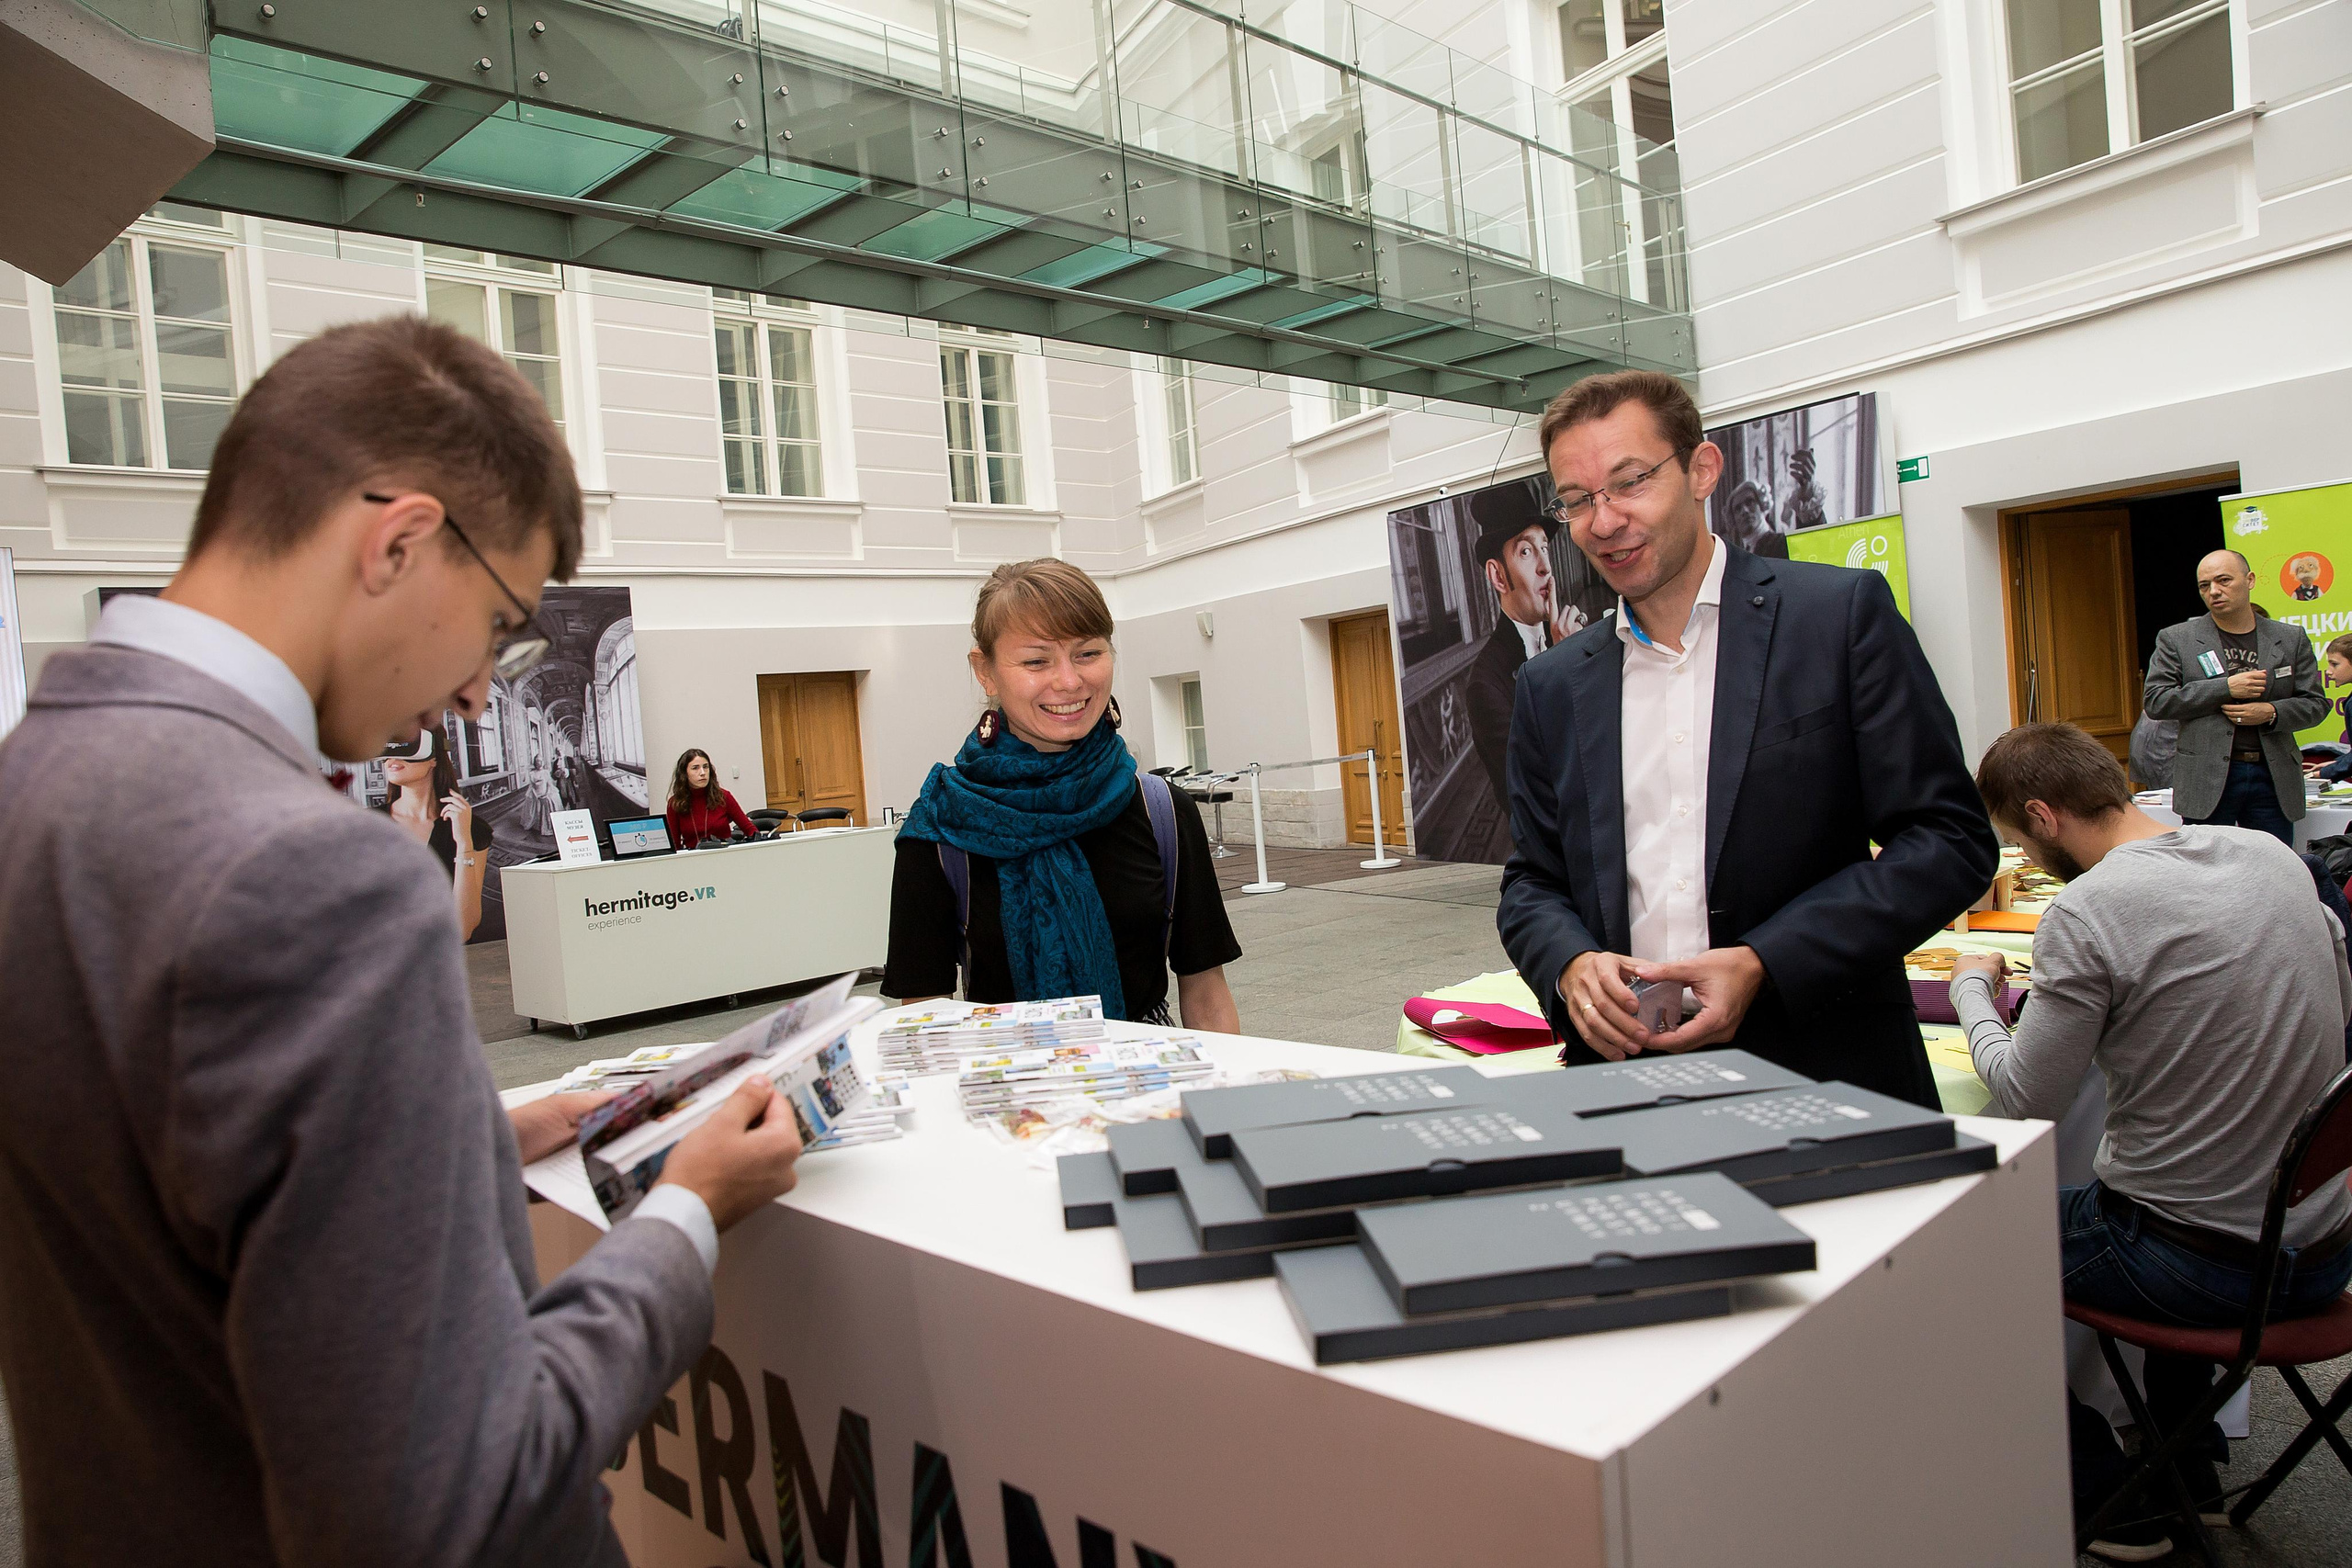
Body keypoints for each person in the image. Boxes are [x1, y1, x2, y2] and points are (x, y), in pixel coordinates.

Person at [0, 316, 805, 1567]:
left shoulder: (35, 780)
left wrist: (462, 1135)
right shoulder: (315, 873)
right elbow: (447, 1499)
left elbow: (170, 1184)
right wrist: (686, 1214)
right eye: (495, 626)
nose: (482, 689)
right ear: (398, 541)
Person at [1496, 369, 1996, 1105]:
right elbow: (1532, 882)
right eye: (1577, 501)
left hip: (1826, 1073)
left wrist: (1767, 959)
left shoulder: (1837, 620)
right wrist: (1569, 963)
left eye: (1630, 482)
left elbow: (1950, 841)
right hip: (1626, 1088)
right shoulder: (1551, 687)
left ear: (1702, 470)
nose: (1602, 522)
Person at [1947, 723, 2352, 1560]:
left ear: (2040, 816)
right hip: (2323, 1251)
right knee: (2178, 1177)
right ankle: (2187, 1466)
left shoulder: (2090, 910)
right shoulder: (2271, 857)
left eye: (2020, 840)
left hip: (2198, 1268)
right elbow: (2336, 1003)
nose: (2025, 853)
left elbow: (2024, 1095)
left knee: (1946, 1243)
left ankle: (2110, 1494)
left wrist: (1971, 991)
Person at [883, 558, 1242, 1029]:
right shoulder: (942, 827)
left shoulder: (1164, 813)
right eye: (1036, 661)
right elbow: (926, 1022)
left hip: (1153, 1090)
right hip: (1007, 1093)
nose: (1070, 681)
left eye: (1088, 653)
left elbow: (1207, 996)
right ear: (985, 671)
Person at [2143, 549, 2327, 846]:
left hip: (2273, 776)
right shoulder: (2177, 638)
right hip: (2207, 777)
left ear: (2250, 580)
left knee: (2274, 871)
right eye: (2205, 585)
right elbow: (2156, 700)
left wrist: (2270, 712)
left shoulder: (2290, 638)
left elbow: (2316, 704)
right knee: (2206, 873)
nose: (2214, 591)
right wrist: (2226, 688)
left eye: (2223, 580)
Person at [1464, 499, 1575, 812]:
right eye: (1527, 552)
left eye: (1545, 548)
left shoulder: (1562, 641)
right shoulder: (1485, 685)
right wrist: (1565, 666)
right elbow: (1536, 788)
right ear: (1498, 576)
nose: (1546, 567)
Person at [379, 723, 494, 940]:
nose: (391, 760)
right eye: (388, 750)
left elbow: (463, 928)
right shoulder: (367, 824)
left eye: (405, 747)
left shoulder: (472, 830)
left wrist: (463, 843)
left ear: (434, 759)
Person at [665, 746, 760, 848]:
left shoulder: (723, 797)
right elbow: (674, 845)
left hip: (725, 857)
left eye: (706, 767)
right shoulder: (675, 803)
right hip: (693, 859)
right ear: (684, 774)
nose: (702, 773)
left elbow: (751, 830)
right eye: (695, 768)